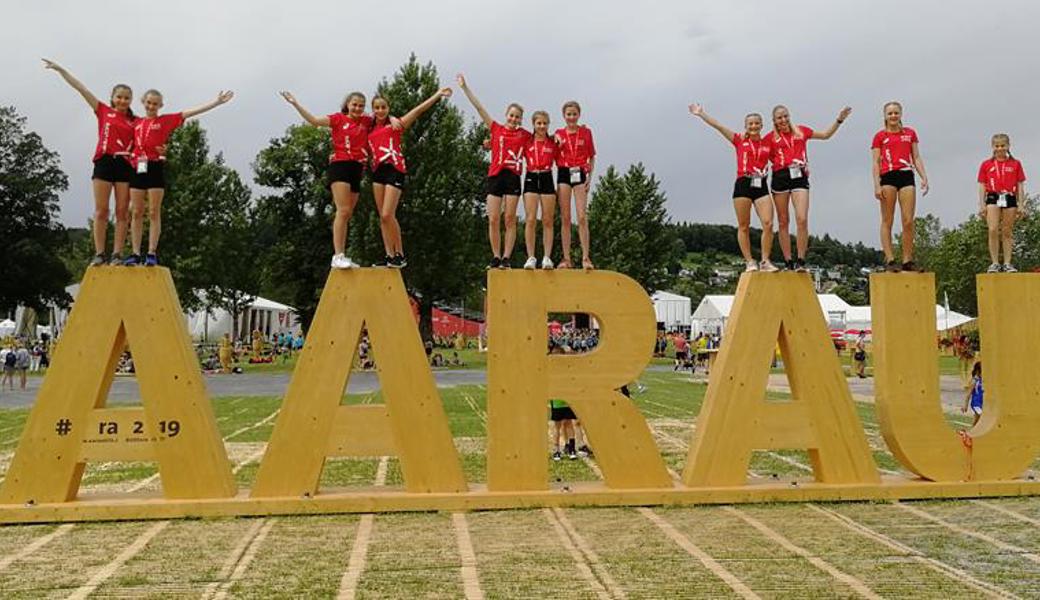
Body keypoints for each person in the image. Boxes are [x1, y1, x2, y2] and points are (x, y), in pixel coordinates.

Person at [281, 90, 397, 269]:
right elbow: (314, 121)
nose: (357, 108)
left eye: (360, 105)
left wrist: (394, 118)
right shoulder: (338, 119)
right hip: (340, 165)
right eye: (354, 105)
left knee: (348, 212)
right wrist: (295, 103)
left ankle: (343, 255)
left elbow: (383, 115)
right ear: (347, 105)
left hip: (358, 168)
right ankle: (338, 255)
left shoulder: (367, 121)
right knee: (342, 211)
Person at [125, 89, 234, 266]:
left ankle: (151, 252)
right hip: (138, 166)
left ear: (160, 105)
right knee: (136, 212)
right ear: (143, 102)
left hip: (155, 166)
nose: (151, 106)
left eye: (155, 103)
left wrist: (216, 102)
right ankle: (135, 253)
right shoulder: (136, 122)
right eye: (149, 102)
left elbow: (189, 112)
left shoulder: (165, 120)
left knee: (153, 211)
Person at [43, 59, 136, 266]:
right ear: (112, 98)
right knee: (101, 210)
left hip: (125, 166)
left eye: (126, 98)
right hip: (104, 162)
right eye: (119, 97)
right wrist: (61, 70)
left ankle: (118, 254)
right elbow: (81, 88)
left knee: (122, 211)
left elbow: (148, 139)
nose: (122, 101)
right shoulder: (103, 111)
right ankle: (100, 253)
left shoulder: (135, 121)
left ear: (131, 100)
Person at [368, 87, 453, 268]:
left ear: (388, 108)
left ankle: (400, 254)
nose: (380, 110)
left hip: (394, 169)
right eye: (377, 107)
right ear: (373, 109)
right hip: (377, 171)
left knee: (387, 213)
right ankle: (389, 255)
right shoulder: (369, 127)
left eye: (384, 107)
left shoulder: (396, 124)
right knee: (382, 218)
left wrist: (437, 95)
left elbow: (418, 110)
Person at [689, 104, 778, 272]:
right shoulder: (739, 140)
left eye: (756, 123)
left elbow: (780, 157)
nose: (753, 126)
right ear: (745, 126)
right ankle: (749, 261)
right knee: (744, 225)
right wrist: (701, 114)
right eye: (750, 124)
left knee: (768, 223)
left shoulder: (767, 142)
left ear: (761, 125)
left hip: (761, 185)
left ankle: (765, 260)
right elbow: (719, 127)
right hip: (743, 184)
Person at [457, 74, 530, 269]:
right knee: (493, 219)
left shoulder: (524, 135)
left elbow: (542, 138)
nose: (514, 119)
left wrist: (557, 139)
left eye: (517, 117)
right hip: (495, 176)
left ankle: (506, 258)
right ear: (506, 114)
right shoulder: (496, 128)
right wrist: (465, 88)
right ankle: (496, 256)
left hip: (513, 177)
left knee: (509, 219)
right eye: (511, 115)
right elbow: (479, 108)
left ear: (521, 120)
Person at [767, 105, 851, 271]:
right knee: (783, 221)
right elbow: (762, 155)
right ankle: (788, 261)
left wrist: (839, 119)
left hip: (799, 176)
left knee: (802, 219)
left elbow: (826, 135)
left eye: (785, 116)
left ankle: (801, 260)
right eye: (779, 118)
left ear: (789, 116)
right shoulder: (770, 138)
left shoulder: (801, 131)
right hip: (780, 177)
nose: (783, 120)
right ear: (774, 121)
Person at [872, 101, 929, 272]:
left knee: (908, 220)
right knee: (887, 219)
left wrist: (924, 177)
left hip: (906, 175)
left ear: (901, 114)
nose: (893, 116)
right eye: (890, 113)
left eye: (896, 113)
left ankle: (907, 260)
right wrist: (876, 184)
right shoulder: (880, 136)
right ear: (885, 116)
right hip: (888, 176)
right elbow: (875, 162)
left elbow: (916, 157)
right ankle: (890, 259)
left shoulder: (910, 133)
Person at [554, 101, 597, 269]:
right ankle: (566, 259)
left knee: (581, 216)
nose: (571, 117)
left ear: (579, 114)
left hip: (580, 172)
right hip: (564, 172)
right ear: (564, 116)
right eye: (568, 114)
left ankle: (586, 258)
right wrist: (555, 140)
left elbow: (592, 156)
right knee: (565, 217)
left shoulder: (586, 132)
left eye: (574, 114)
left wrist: (590, 177)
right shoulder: (558, 133)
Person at [977, 134, 1027, 273]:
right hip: (993, 196)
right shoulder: (986, 164)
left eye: (1002, 145)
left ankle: (1007, 263)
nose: (1000, 148)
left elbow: (1020, 185)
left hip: (1009, 196)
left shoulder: (1015, 164)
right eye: (997, 146)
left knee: (1007, 231)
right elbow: (981, 185)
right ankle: (994, 263)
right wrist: (981, 205)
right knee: (992, 229)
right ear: (992, 147)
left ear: (1008, 146)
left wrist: (1021, 204)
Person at [522, 111, 558, 269]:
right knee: (530, 219)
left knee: (548, 219)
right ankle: (531, 257)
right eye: (539, 123)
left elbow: (565, 155)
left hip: (547, 177)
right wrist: (489, 143)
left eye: (545, 123)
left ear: (548, 125)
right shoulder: (527, 141)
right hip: (531, 176)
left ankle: (547, 257)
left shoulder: (553, 142)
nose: (542, 126)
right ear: (534, 124)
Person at [962, 361, 983, 427]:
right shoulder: (974, 381)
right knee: (980, 416)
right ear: (978, 371)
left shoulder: (983, 380)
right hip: (976, 403)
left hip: (982, 403)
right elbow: (968, 393)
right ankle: (970, 433)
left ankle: (971, 433)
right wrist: (965, 405)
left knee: (977, 421)